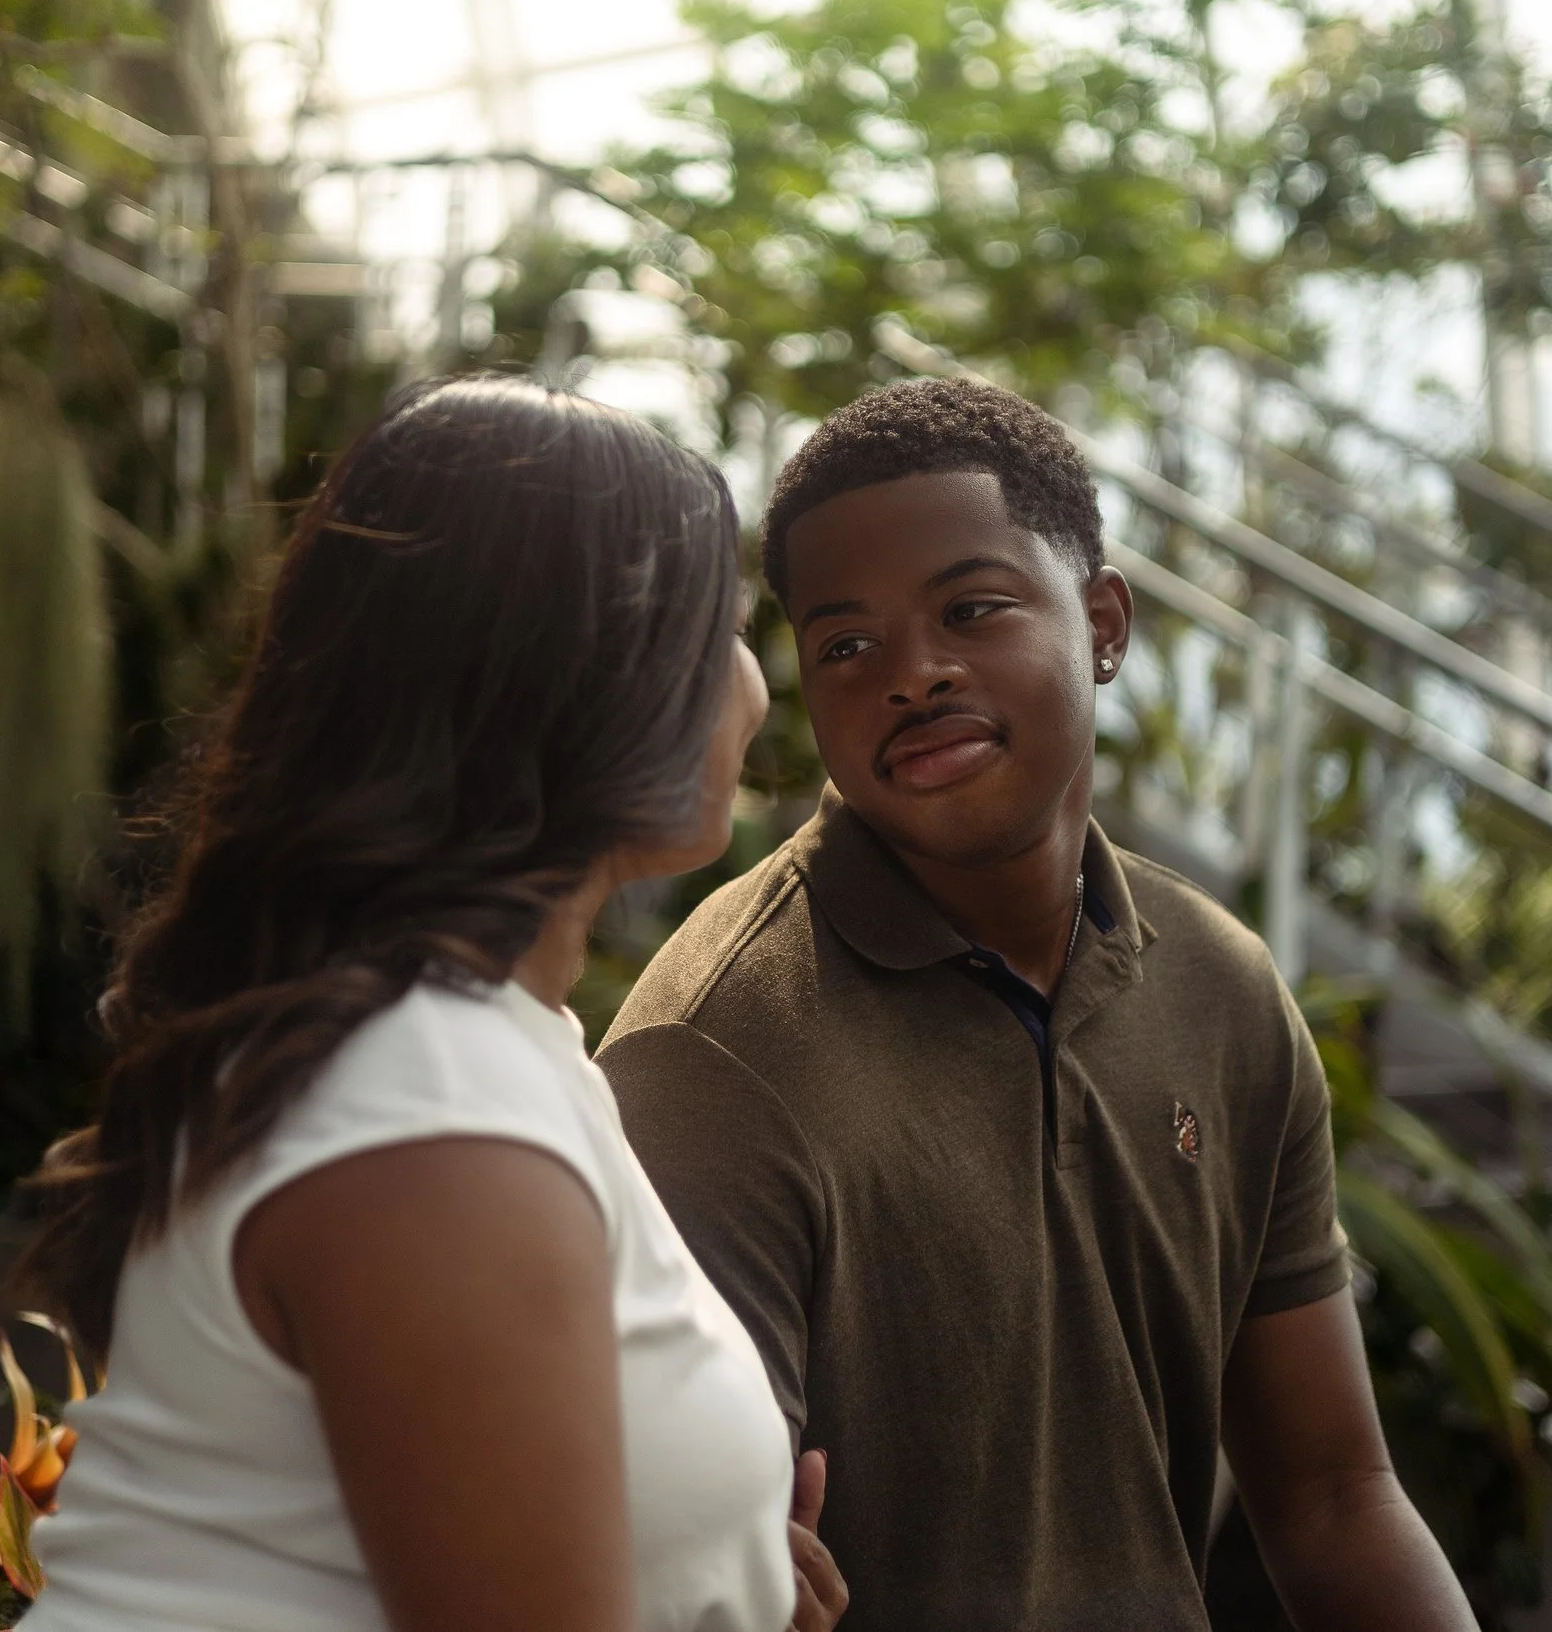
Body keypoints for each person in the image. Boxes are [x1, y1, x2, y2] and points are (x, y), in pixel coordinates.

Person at [600, 377, 1479, 1632]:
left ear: (1104, 622)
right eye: (845, 644)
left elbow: (1335, 1492)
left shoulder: (1220, 988)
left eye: (970, 607)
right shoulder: (718, 1051)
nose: (911, 673)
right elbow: (696, 1559)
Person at [12, 376, 847, 1632]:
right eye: (716, 627)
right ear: (564, 676)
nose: (752, 685)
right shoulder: (431, 1108)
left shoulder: (478, 1046)